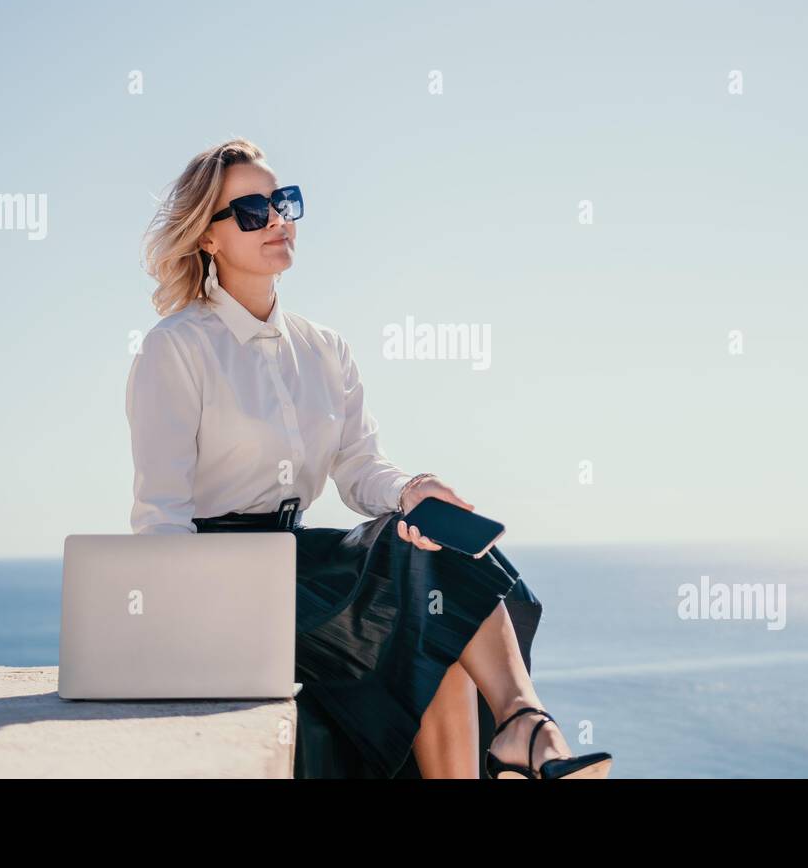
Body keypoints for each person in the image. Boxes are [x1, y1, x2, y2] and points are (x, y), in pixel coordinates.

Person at [125, 137, 612, 779]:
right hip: (227, 583)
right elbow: (160, 517)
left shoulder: (325, 349)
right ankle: (528, 733)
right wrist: (181, 634)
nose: (276, 220)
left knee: (433, 558)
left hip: (302, 562)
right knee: (418, 592)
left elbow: (358, 469)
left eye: (284, 203)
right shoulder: (176, 349)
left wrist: (413, 490)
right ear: (208, 238)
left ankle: (523, 721)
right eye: (251, 211)